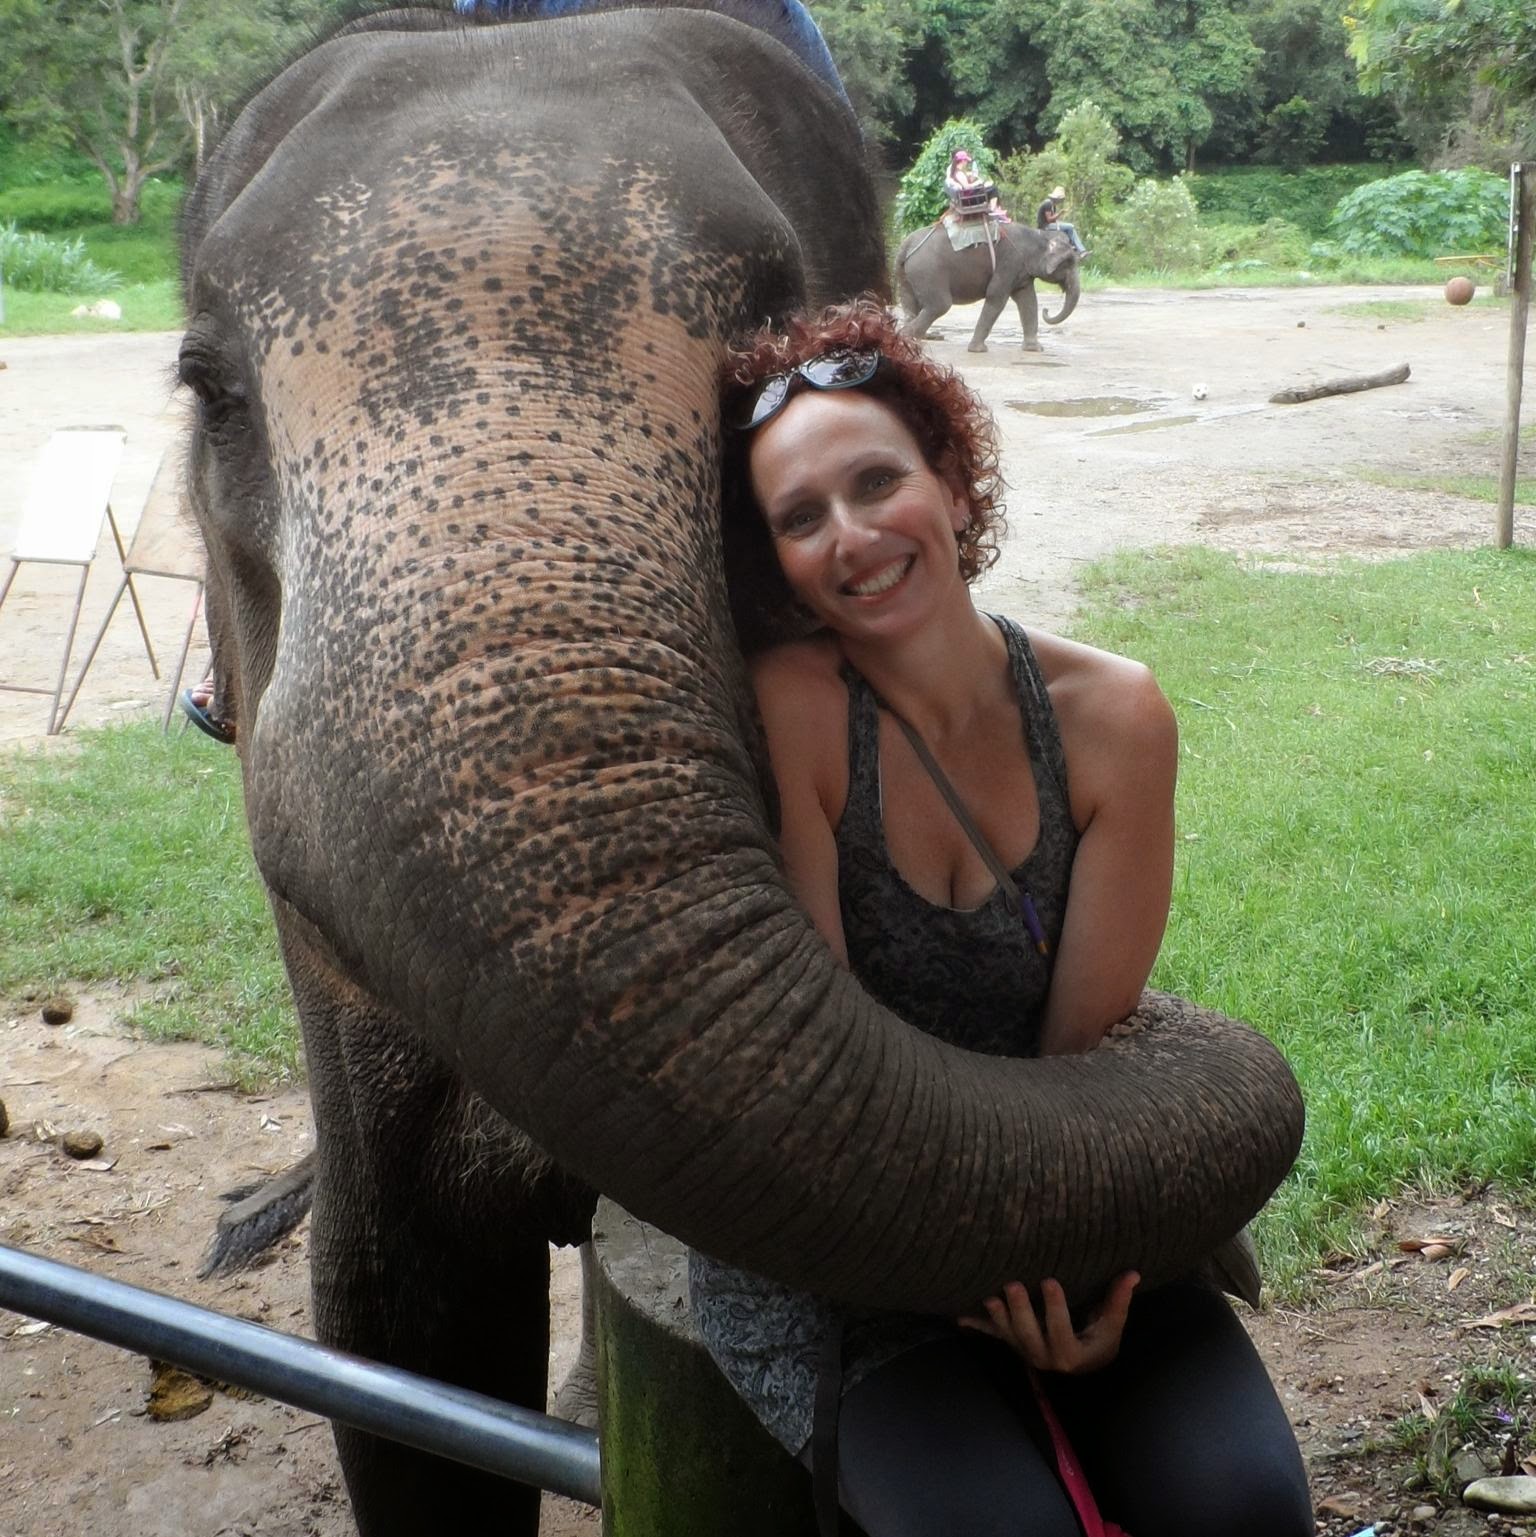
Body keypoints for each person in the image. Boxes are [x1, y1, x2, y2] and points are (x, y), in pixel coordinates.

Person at [692, 297, 1312, 1537]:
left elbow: (1077, 1052)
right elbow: (822, 1065)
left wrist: (1070, 1291)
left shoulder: (1113, 719)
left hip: (1062, 1199)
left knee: (1244, 1507)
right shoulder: (794, 711)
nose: (853, 536)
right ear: (779, 561)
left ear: (955, 484)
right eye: (803, 518)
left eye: (878, 482)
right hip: (842, 1248)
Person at [1037, 184, 1087, 256]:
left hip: (1049, 224)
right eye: (1061, 200)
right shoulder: (1048, 204)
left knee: (1068, 227)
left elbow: (1053, 220)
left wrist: (1059, 221)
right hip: (1045, 226)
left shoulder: (1053, 205)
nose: (1061, 201)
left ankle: (1074, 246)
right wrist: (1060, 213)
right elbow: (1049, 220)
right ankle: (1081, 250)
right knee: (1070, 226)